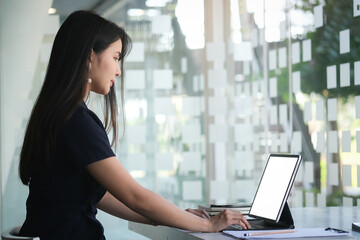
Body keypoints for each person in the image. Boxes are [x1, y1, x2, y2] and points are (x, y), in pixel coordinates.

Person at [18, 10, 250, 240]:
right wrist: (209, 225)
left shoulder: (59, 113)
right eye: (116, 57)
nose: (118, 71)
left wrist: (177, 216)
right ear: (90, 56)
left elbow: (102, 196)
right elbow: (134, 196)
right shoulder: (76, 121)